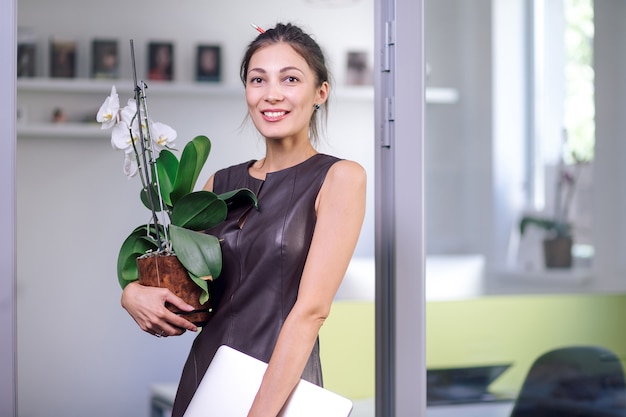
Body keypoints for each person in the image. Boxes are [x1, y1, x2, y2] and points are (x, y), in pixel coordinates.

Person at [121, 22, 366, 417]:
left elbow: (311, 312)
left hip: (282, 394)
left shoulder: (340, 177)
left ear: (320, 92)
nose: (272, 94)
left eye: (290, 79)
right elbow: (187, 293)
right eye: (258, 79)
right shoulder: (220, 182)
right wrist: (131, 294)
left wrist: (260, 414)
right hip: (208, 379)